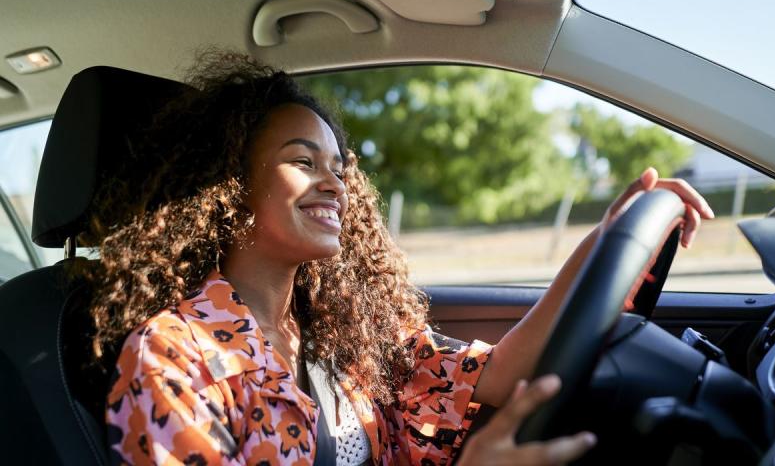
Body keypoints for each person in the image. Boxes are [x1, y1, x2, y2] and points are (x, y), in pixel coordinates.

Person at [89, 52, 714, 466]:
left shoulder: (345, 335)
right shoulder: (173, 357)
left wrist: (605, 241)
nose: (334, 185)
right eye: (304, 163)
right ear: (229, 184)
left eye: (338, 167)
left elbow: (497, 375)